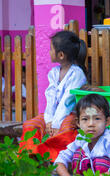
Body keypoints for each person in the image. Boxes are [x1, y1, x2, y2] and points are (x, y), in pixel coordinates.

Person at [19, 30, 88, 161]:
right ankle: (29, 157)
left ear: (61, 55)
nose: (49, 52)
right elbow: (50, 99)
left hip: (70, 114)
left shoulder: (77, 74)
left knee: (65, 129)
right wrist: (49, 120)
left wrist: (56, 124)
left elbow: (67, 102)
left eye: (51, 49)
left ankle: (57, 161)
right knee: (31, 124)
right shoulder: (54, 73)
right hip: (54, 115)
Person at [54, 93, 110, 176]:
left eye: (97, 118)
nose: (91, 124)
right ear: (78, 123)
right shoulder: (81, 138)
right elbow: (60, 159)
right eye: (85, 119)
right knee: (77, 154)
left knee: (100, 162)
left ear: (107, 121)